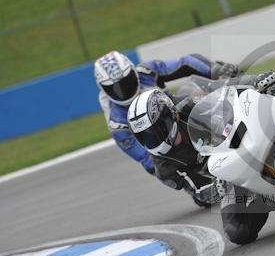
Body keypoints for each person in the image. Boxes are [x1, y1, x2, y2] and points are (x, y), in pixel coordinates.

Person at [127, 72, 275, 244]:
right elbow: (198, 192)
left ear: (170, 115)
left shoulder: (187, 101)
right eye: (145, 136)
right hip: (226, 172)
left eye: (156, 130)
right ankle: (269, 193)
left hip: (241, 130)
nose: (153, 139)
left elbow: (224, 87)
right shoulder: (164, 167)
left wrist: (256, 80)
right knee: (237, 232)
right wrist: (214, 187)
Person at [94, 50, 239, 204]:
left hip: (182, 119)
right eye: (115, 88)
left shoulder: (147, 72)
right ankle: (197, 185)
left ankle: (241, 108)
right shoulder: (117, 123)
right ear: (104, 89)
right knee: (200, 190)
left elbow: (186, 62)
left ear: (133, 71)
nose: (123, 90)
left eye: (126, 81)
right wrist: (175, 167)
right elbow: (147, 160)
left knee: (192, 89)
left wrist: (215, 70)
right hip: (172, 151)